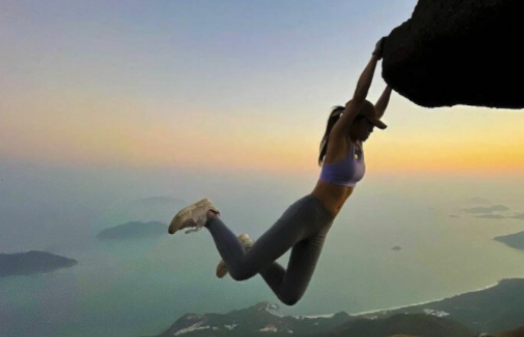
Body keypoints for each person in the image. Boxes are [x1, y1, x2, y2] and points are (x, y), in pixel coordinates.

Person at [168, 37, 392, 306]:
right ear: (355, 120)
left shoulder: (357, 143)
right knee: (240, 270)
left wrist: (392, 82)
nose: (372, 130)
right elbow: (359, 99)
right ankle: (209, 215)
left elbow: (374, 109)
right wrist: (375, 58)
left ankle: (247, 246)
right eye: (370, 125)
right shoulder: (339, 138)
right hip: (307, 213)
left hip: (323, 225)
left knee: (290, 294)